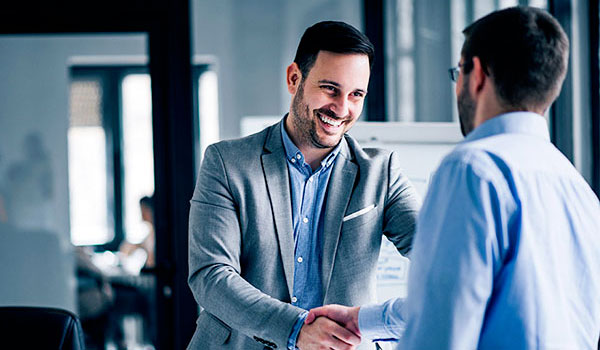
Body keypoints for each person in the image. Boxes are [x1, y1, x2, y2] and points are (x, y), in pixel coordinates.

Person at [306, 6, 600, 349]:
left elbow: (442, 331)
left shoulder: (473, 169)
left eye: (457, 72)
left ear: (475, 74)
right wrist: (363, 320)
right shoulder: (578, 189)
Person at [187, 21, 420, 350]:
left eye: (356, 95)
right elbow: (210, 276)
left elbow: (439, 253)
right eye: (330, 89)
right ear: (294, 78)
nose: (342, 109)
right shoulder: (227, 163)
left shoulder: (381, 173)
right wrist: (296, 328)